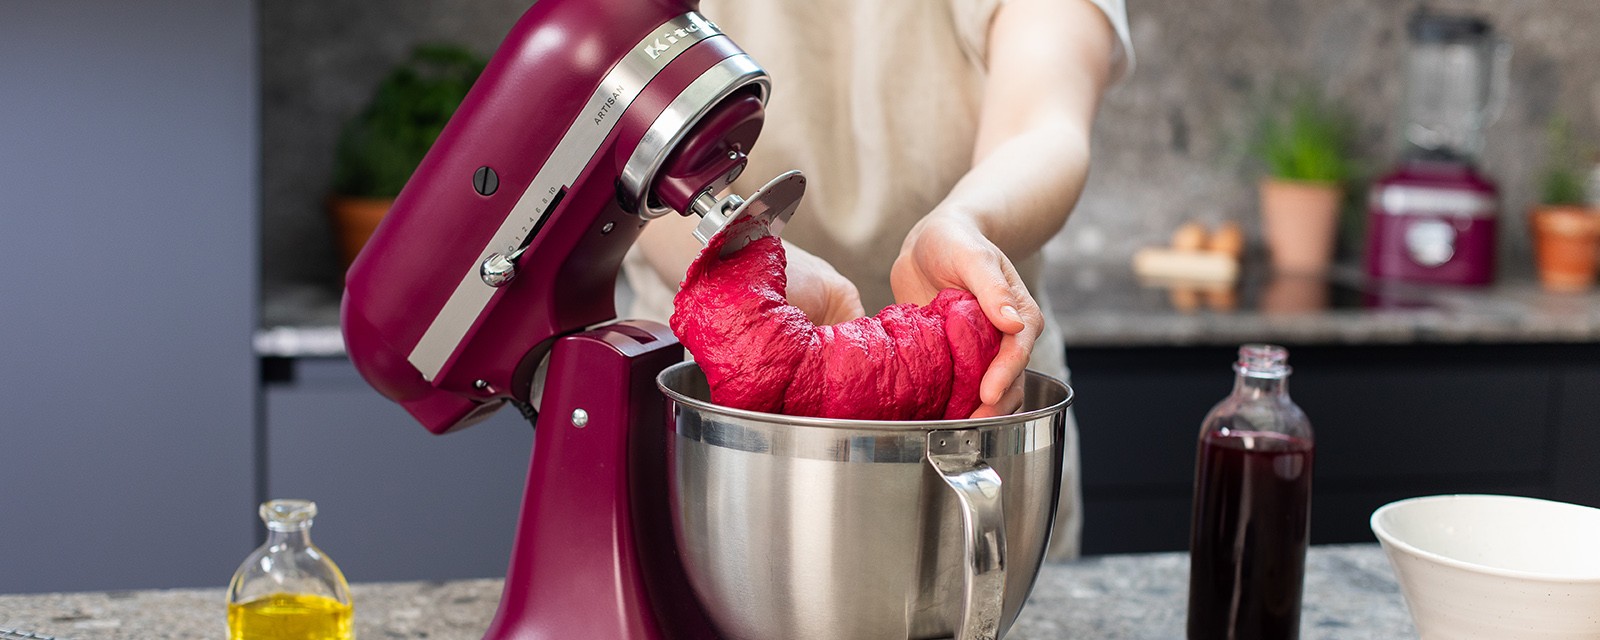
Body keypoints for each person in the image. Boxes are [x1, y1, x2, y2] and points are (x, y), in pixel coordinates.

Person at [623, 0, 1132, 560]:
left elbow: (1043, 123)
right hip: (706, 429)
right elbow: (618, 129)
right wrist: (750, 282)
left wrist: (965, 222)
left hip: (980, 430)